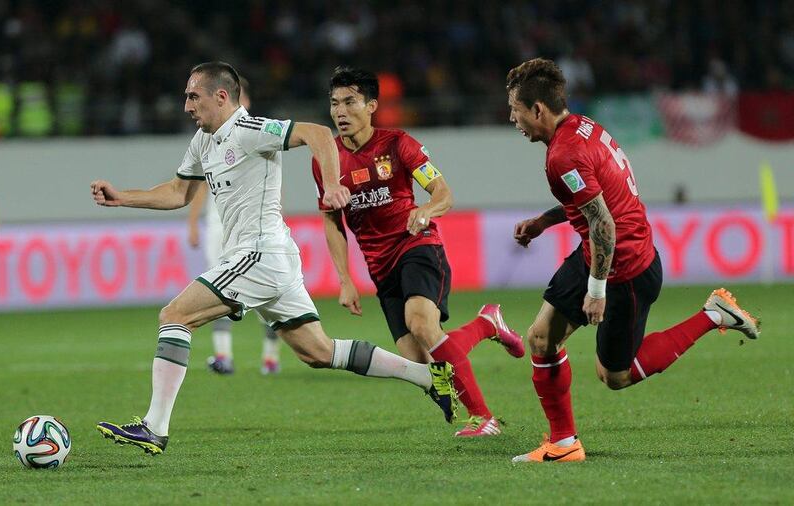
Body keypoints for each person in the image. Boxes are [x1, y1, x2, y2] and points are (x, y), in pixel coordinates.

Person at [91, 61, 458, 455]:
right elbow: (179, 192)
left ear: (221, 96)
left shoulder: (250, 130)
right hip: (266, 260)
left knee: (175, 315)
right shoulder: (203, 141)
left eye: (193, 96)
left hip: (260, 253)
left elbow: (317, 134)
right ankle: (427, 376)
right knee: (318, 352)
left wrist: (333, 185)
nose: (187, 106)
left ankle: (154, 427)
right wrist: (122, 197)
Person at [505, 58, 760, 463]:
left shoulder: (563, 154)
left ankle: (713, 315)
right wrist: (543, 222)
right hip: (601, 253)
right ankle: (565, 443)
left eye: (515, 110)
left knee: (615, 376)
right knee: (541, 338)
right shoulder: (583, 128)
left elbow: (603, 222)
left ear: (538, 109)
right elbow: (592, 203)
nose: (512, 119)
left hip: (625, 268)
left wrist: (596, 290)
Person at [313, 67, 525, 438]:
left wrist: (426, 209)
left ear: (371, 106)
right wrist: (345, 279)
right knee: (418, 360)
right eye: (334, 104)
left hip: (417, 246)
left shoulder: (399, 144)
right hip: (380, 267)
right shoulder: (325, 160)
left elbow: (443, 194)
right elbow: (332, 221)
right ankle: (487, 323)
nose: (340, 112)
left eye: (349, 102)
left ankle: (483, 418)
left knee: (422, 323)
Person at [186, 74, 281, 375]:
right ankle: (223, 356)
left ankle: (270, 357)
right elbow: (200, 185)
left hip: (253, 232)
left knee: (265, 294)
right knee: (217, 289)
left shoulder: (256, 133)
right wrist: (192, 222)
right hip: (219, 227)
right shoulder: (210, 138)